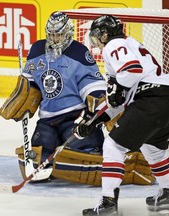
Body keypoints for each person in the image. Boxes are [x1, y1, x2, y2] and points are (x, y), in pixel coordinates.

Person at [74, 15, 169, 215]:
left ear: (105, 34)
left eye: (97, 35)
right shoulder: (130, 43)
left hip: (150, 101)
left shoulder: (113, 45)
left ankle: (108, 202)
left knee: (113, 145)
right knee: (152, 148)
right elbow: (118, 101)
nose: (96, 41)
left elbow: (132, 71)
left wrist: (116, 89)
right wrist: (95, 120)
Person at [22, 11, 107, 164]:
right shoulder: (37, 50)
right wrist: (23, 96)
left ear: (68, 33)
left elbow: (92, 85)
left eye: (59, 35)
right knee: (39, 153)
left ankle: (88, 148)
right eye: (52, 34)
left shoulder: (79, 52)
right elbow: (30, 83)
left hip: (74, 117)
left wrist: (94, 110)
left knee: (86, 150)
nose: (55, 39)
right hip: (48, 119)